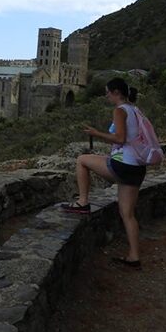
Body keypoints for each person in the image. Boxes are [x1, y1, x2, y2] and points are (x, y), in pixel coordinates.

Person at [61, 77, 147, 268]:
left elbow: (120, 138)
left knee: (82, 160)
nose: (106, 95)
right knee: (128, 214)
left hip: (123, 165)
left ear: (116, 92)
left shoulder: (119, 110)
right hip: (137, 167)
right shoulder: (135, 110)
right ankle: (134, 257)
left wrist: (95, 133)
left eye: (108, 92)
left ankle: (82, 202)